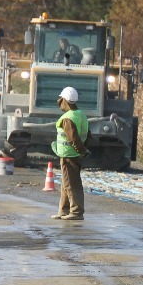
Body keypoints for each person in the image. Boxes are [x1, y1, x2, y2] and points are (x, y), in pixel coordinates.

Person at [52, 86, 88, 220]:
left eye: (61, 100)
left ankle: (76, 212)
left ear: (65, 101)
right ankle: (64, 210)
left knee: (71, 185)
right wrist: (83, 151)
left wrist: (81, 151)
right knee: (65, 184)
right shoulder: (80, 115)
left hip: (69, 156)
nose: (59, 102)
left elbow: (73, 137)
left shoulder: (68, 118)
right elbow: (87, 134)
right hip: (74, 155)